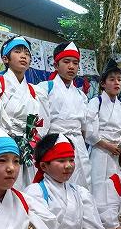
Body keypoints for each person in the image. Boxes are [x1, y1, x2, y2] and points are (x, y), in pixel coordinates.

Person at [0, 36, 47, 189]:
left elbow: (41, 125)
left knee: (26, 192)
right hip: (0, 148)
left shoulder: (35, 91)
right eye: (18, 51)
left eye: (27, 53)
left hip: (26, 151)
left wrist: (32, 144)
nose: (23, 56)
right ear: (5, 58)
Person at [35, 42, 94, 188]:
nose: (71, 66)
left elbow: (85, 127)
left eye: (75, 63)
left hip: (78, 144)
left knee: (82, 182)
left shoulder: (81, 95)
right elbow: (40, 124)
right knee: (55, 183)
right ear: (56, 65)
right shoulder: (44, 88)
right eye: (66, 62)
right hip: (54, 142)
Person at [86, 59, 121, 195]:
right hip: (100, 150)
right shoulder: (95, 102)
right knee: (98, 187)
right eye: (112, 79)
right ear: (103, 84)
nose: (116, 82)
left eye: (119, 79)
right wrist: (107, 146)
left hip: (117, 153)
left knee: (116, 187)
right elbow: (89, 131)